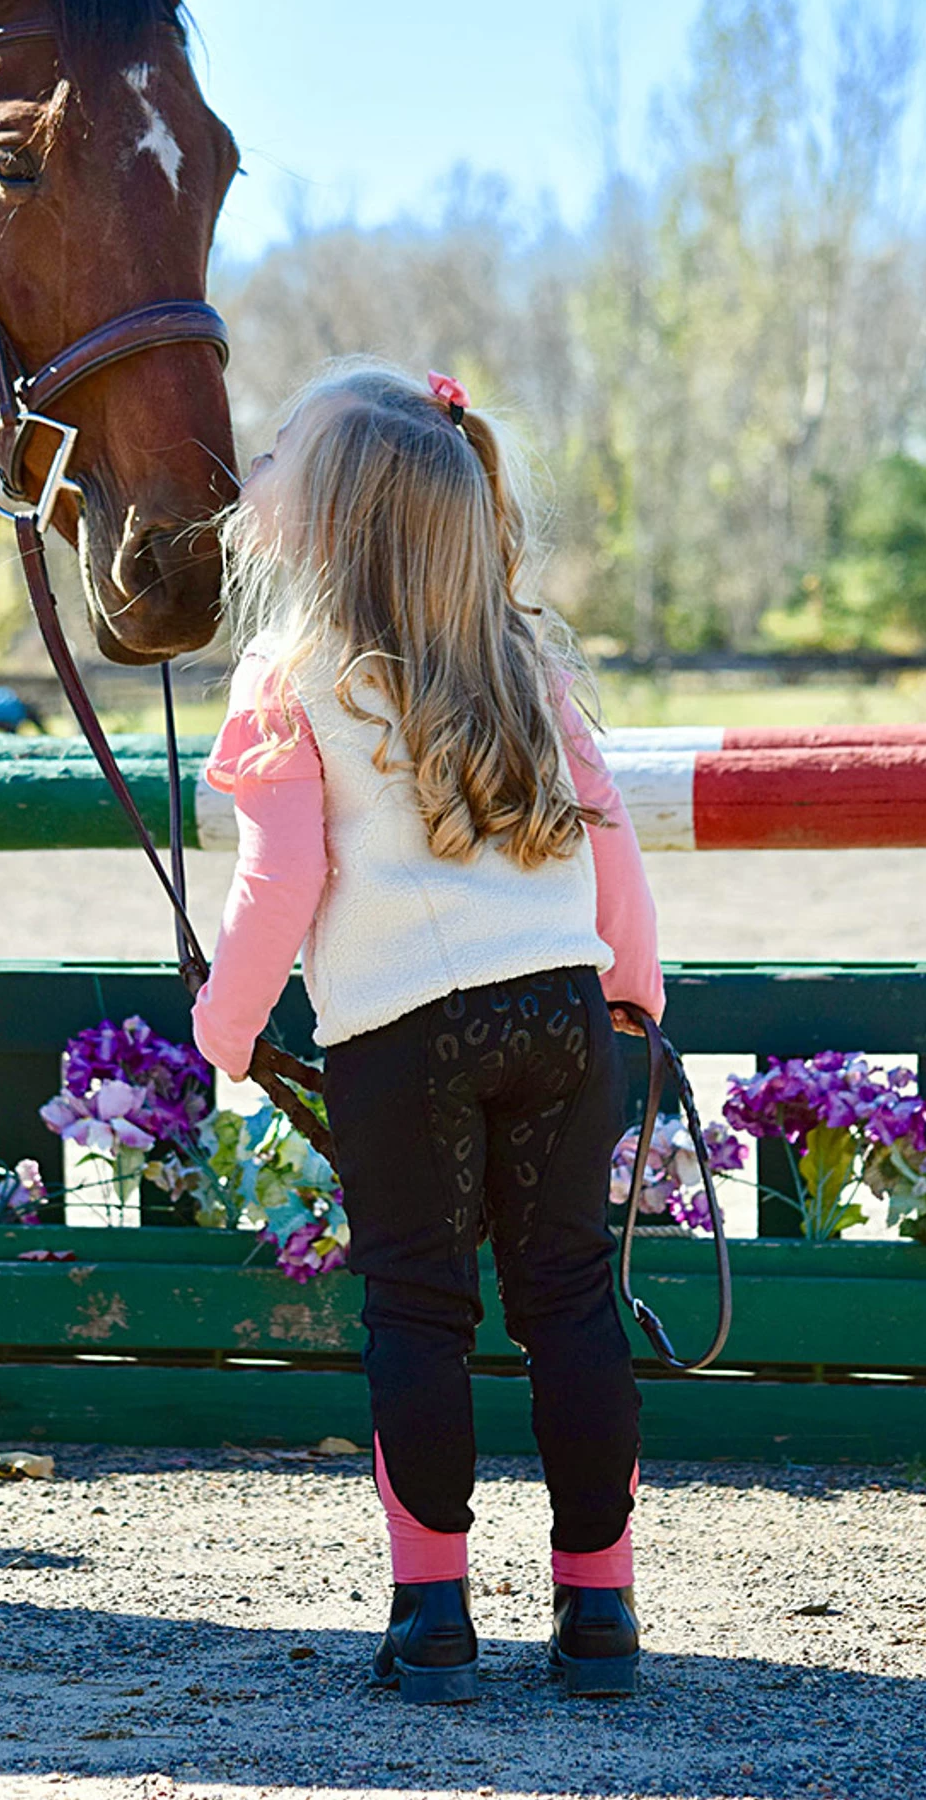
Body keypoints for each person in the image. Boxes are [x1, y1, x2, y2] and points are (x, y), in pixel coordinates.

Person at [190, 361, 663, 1705]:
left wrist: (228, 1025)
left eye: (279, 455)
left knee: (418, 1308)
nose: (254, 471)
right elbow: (611, 845)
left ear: (328, 516)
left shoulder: (289, 678)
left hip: (404, 1033)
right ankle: (600, 1612)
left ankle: (435, 1618)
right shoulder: (525, 657)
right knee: (570, 1298)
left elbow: (278, 881)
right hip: (563, 1013)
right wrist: (635, 990)